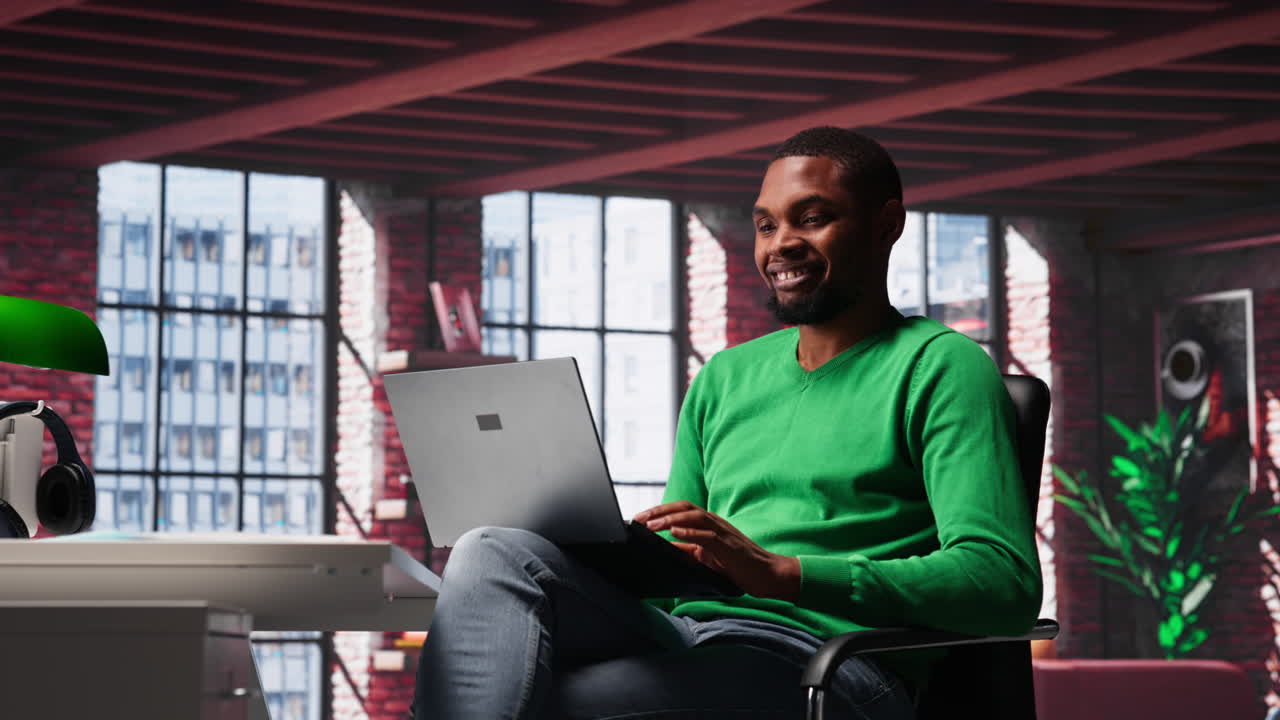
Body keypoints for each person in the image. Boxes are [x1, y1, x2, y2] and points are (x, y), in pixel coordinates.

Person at [412, 126, 1043, 719]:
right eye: (766, 225)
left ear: (887, 225)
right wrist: (621, 554)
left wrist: (783, 573)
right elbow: (681, 555)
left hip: (828, 663)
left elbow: (1000, 579)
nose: (780, 245)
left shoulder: (941, 365)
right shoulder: (725, 377)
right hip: (686, 631)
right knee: (491, 549)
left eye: (812, 218)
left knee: (559, 699)